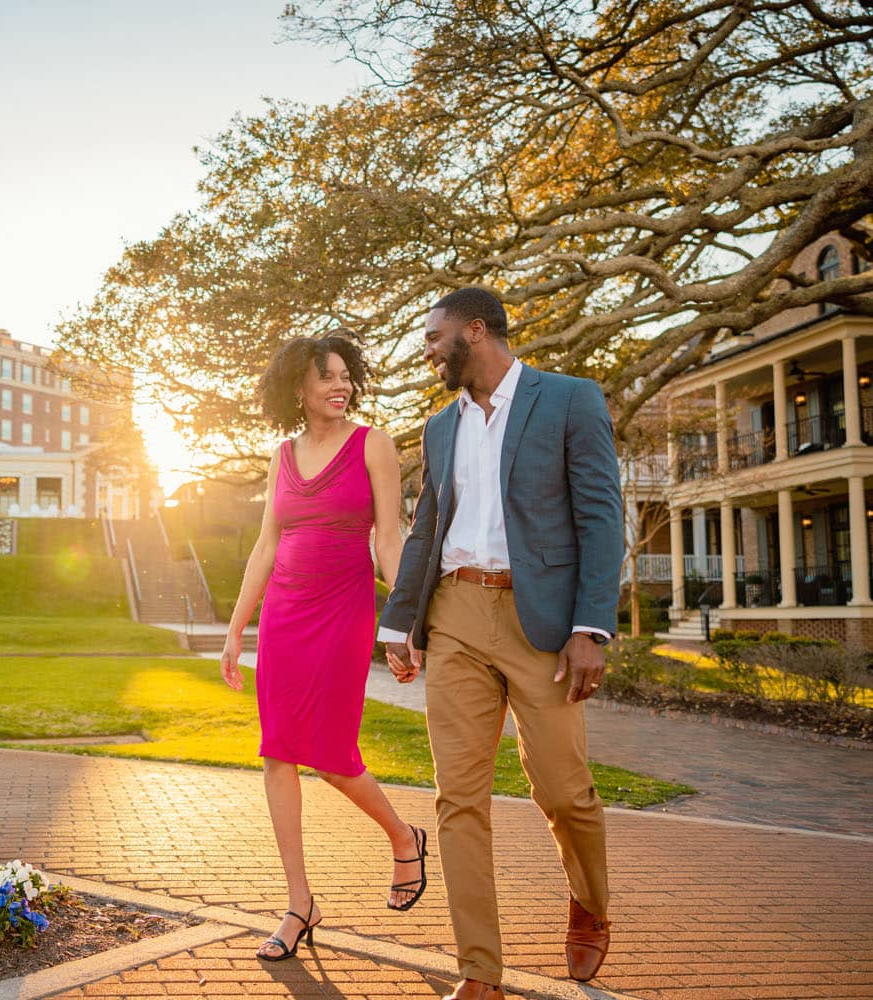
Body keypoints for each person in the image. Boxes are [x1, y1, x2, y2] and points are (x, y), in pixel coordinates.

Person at [380, 287, 624, 1000]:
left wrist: (591, 626)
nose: (426, 349)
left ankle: (591, 899)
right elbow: (427, 527)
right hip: (456, 613)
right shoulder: (439, 427)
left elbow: (602, 520)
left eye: (433, 336)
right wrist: (400, 622)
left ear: (475, 331)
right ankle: (478, 971)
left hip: (540, 621)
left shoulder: (570, 400)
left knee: (562, 790)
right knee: (457, 798)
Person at [220, 332, 427, 964]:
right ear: (298, 389)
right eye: (327, 377)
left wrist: (405, 622)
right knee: (278, 752)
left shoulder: (374, 445)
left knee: (333, 753)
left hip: (342, 614)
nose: (341, 386)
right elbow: (265, 546)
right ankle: (299, 902)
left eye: (346, 376)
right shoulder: (282, 455)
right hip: (283, 616)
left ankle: (403, 836)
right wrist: (236, 628)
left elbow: (389, 542)